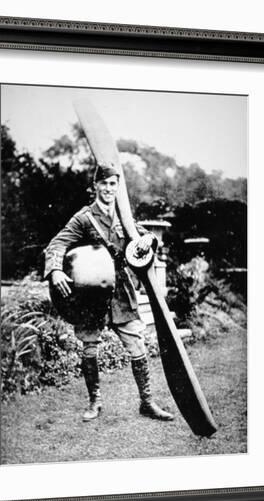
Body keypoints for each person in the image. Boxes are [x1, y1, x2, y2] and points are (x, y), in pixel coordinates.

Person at [44, 163, 174, 423]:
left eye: (113, 183)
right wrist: (55, 271)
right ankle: (95, 402)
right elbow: (56, 244)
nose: (108, 188)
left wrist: (150, 240)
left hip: (121, 292)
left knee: (137, 345)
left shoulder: (123, 215)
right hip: (91, 293)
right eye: (103, 183)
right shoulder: (84, 218)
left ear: (118, 187)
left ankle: (147, 403)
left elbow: (143, 236)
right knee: (89, 348)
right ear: (95, 187)